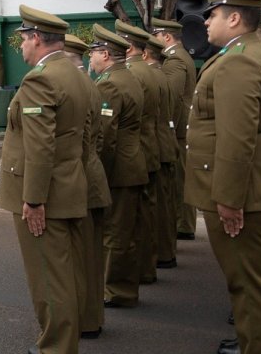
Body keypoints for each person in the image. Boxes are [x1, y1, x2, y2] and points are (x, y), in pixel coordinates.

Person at [184, 0, 261, 354]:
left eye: (211, 15)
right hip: (258, 186)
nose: (206, 22)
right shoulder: (255, 52)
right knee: (258, 282)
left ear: (233, 18)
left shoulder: (239, 60)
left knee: (249, 286)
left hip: (242, 193)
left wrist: (228, 199)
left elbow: (236, 137)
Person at [0, 5, 88, 354]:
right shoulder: (74, 73)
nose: (20, 46)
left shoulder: (41, 78)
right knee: (65, 271)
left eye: (23, 38)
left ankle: (57, 346)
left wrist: (34, 200)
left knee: (49, 278)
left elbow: (40, 146)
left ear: (36, 38)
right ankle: (65, 340)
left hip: (44, 193)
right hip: (69, 182)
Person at [89, 24, 147, 310]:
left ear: (106, 55)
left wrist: (100, 174)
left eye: (94, 54)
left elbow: (105, 136)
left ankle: (115, 290)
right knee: (127, 231)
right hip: (133, 163)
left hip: (119, 169)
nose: (91, 60)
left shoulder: (109, 84)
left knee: (114, 233)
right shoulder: (129, 76)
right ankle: (124, 288)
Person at [63, 34, 111, 340]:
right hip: (93, 174)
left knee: (78, 257)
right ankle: (92, 318)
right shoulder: (92, 86)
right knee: (91, 255)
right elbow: (101, 137)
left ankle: (81, 320)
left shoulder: (73, 87)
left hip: (78, 178)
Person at [114, 19, 163, 285]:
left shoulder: (132, 74)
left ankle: (137, 273)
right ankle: (147, 268)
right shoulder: (152, 72)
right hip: (148, 146)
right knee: (146, 215)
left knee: (131, 222)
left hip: (135, 151)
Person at [151, 16, 198, 242]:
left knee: (179, 179)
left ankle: (184, 224)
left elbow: (172, 97)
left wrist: (168, 129)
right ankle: (184, 223)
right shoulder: (178, 56)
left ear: (166, 37)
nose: (154, 40)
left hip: (178, 128)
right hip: (181, 127)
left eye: (156, 36)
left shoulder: (175, 60)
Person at [142, 36, 179, 270]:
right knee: (164, 202)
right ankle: (166, 251)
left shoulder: (147, 75)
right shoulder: (161, 74)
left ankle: (161, 254)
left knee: (154, 205)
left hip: (153, 143)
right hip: (164, 140)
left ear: (145, 54)